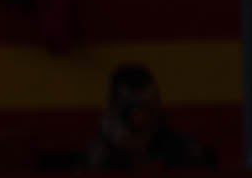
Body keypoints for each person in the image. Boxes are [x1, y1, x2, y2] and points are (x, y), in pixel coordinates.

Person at [80, 63, 217, 169]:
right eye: (132, 108)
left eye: (148, 107)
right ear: (113, 111)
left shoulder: (180, 147)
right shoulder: (102, 153)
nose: (140, 117)